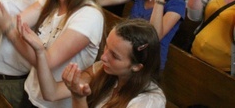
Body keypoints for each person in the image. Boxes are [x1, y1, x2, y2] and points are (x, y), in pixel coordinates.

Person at [20, 18, 166, 107]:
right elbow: (51, 93)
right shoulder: (103, 70)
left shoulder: (150, 101)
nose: (103, 57)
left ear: (137, 67)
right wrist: (40, 52)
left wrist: (78, 97)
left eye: (114, 56)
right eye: (106, 46)